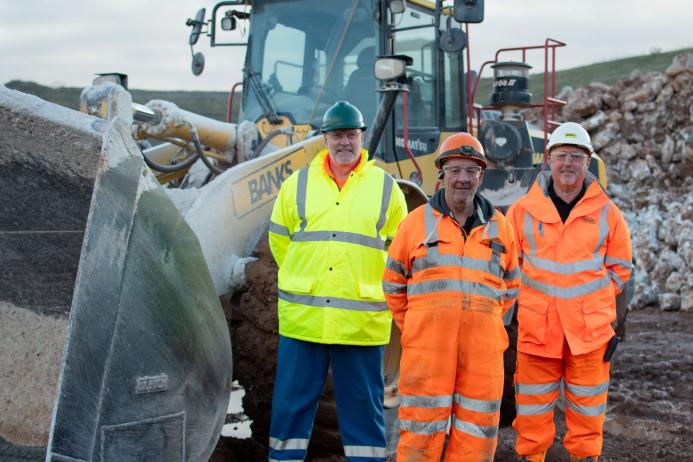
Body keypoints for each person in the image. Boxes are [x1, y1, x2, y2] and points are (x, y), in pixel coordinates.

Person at [267, 100, 408, 462]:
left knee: (363, 415)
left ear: (361, 137)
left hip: (361, 323)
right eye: (337, 135)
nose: (344, 142)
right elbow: (280, 242)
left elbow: (402, 253)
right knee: (290, 411)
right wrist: (306, 279)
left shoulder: (385, 188)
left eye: (351, 135)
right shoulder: (296, 185)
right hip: (304, 320)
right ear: (325, 139)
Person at [382, 132, 520, 461]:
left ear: (481, 175)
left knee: (476, 439)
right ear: (442, 173)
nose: (463, 178)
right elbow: (393, 285)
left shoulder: (501, 228)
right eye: (455, 170)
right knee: (419, 437)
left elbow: (511, 288)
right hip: (426, 355)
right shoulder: (414, 225)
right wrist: (419, 326)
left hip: (483, 358)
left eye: (471, 171)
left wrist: (484, 325)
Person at [506, 122, 633, 462]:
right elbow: (508, 267)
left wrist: (592, 301)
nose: (568, 164)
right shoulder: (521, 212)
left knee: (588, 422)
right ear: (547, 159)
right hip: (537, 334)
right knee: (531, 423)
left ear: (587, 162)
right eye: (561, 155)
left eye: (576, 157)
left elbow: (621, 269)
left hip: (588, 338)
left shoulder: (608, 214)